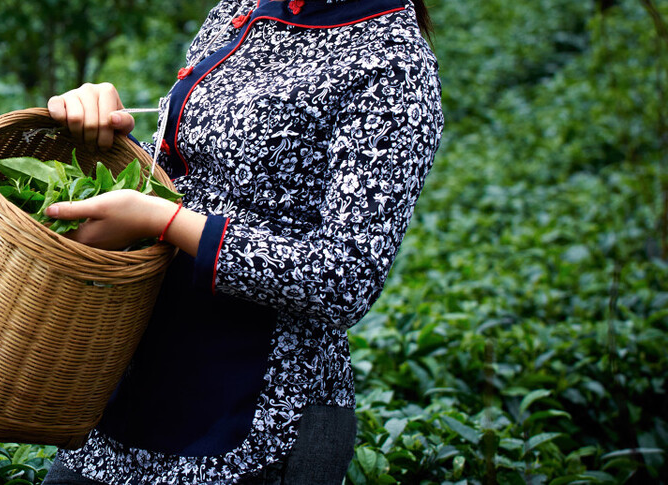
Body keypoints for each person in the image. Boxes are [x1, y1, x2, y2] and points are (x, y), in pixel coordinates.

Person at [40, 0, 443, 483]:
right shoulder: (242, 7)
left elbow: (344, 277)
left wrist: (165, 221)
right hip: (137, 372)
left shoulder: (393, 65)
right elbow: (187, 172)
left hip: (256, 416)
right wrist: (105, 134)